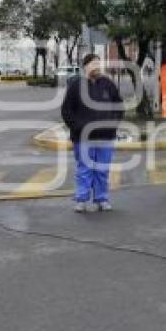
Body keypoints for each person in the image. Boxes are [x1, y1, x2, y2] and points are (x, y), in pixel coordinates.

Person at [61, 53, 124, 213]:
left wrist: (113, 125)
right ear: (85, 66)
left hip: (105, 136)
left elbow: (119, 106)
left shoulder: (108, 84)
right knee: (85, 169)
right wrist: (77, 127)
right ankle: (81, 200)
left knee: (102, 170)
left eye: (98, 63)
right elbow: (67, 110)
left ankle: (102, 199)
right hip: (83, 137)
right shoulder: (76, 85)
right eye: (93, 63)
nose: (96, 66)